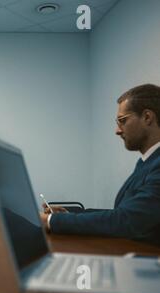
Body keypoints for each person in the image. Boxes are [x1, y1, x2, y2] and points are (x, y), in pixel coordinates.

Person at [40, 84, 160, 246]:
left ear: (147, 117)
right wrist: (70, 215)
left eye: (122, 121)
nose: (117, 130)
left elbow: (126, 221)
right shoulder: (147, 161)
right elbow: (124, 214)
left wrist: (52, 221)